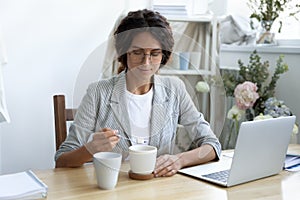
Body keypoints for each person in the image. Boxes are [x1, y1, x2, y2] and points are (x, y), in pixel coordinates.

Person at [55, 9, 221, 177]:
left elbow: (212, 145)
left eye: (154, 54)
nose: (146, 62)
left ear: (163, 55)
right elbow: (61, 160)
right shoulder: (98, 92)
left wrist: (179, 160)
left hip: (160, 187)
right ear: (124, 52)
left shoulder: (175, 89)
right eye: (137, 52)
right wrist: (90, 149)